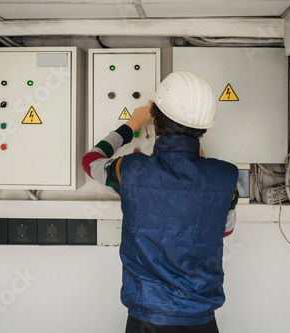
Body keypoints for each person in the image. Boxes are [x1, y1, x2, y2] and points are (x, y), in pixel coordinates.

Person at [82, 71, 239, 333]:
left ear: (155, 118)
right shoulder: (225, 177)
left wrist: (130, 126)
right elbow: (225, 229)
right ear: (204, 127)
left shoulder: (130, 170)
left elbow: (90, 161)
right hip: (201, 320)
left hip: (146, 320)